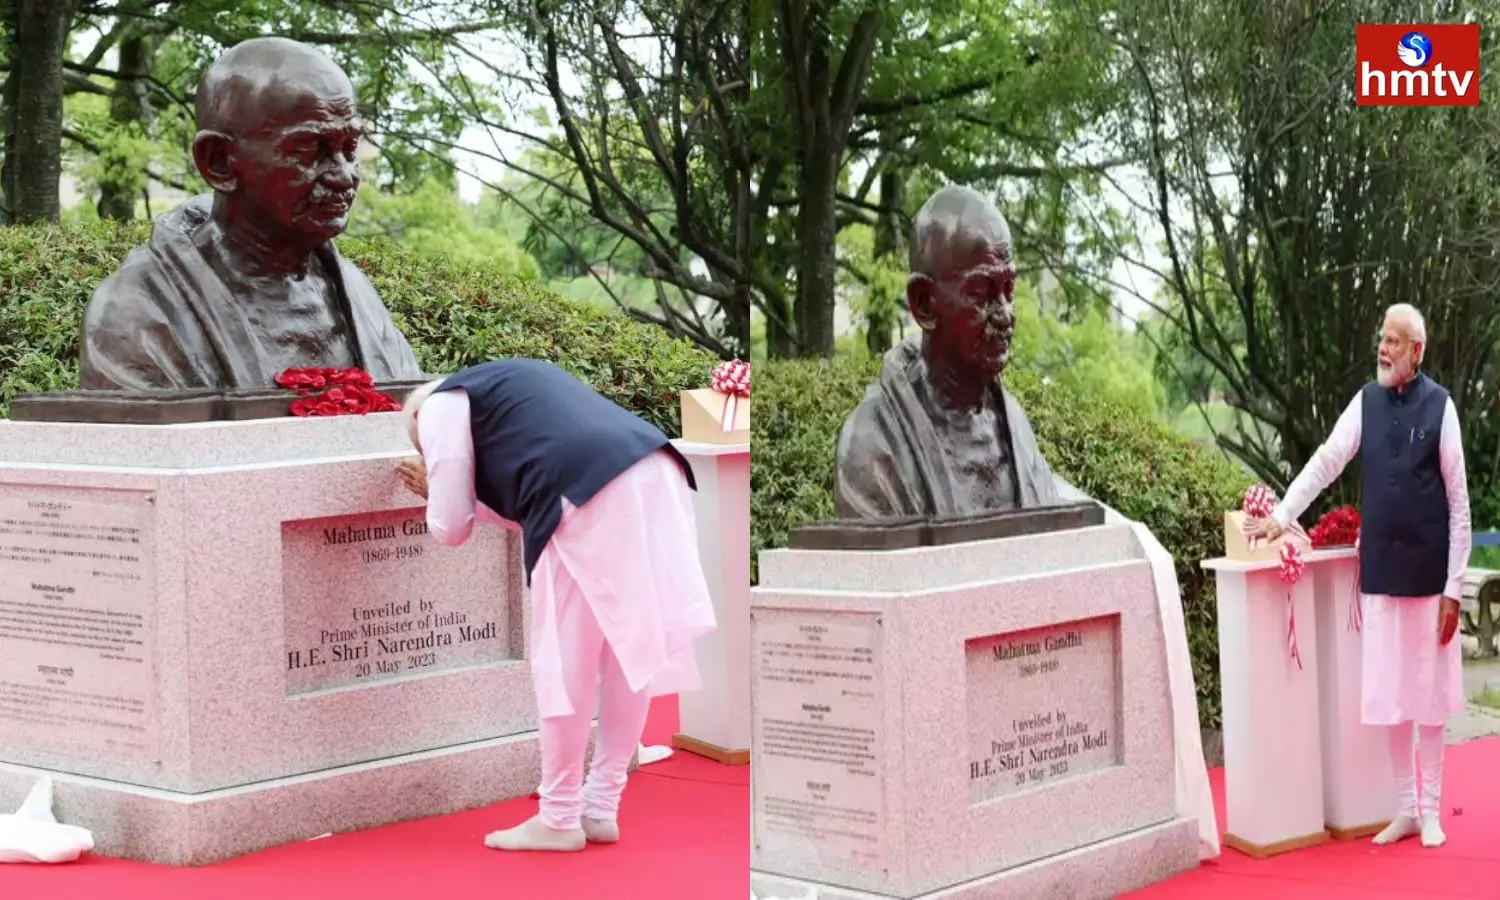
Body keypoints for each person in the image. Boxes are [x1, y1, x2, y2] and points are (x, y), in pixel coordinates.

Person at [396, 359, 717, 852]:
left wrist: (433, 488)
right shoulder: (508, 386)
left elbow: (450, 526)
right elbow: (526, 500)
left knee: (563, 661)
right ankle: (601, 806)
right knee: (628, 653)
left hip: (584, 490)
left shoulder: (435, 409)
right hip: (654, 468)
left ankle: (560, 815)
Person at [1245, 303, 1471, 848]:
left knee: (1431, 698)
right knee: (1394, 695)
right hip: (1382, 574)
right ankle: (1406, 809)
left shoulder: (1442, 407)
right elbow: (1326, 461)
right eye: (1382, 338)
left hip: (1431, 576)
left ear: (1416, 351)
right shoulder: (1365, 403)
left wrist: (1454, 590)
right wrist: (1281, 517)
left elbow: (1461, 506)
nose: (1384, 348)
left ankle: (1434, 810)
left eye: (1395, 341)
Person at [79, 36, 422, 391]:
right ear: (219, 162)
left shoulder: (357, 295)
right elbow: (148, 443)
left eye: (348, 148)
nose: (344, 175)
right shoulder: (138, 312)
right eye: (308, 150)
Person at [833, 185, 1061, 518]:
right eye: (980, 292)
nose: (1005, 313)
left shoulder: (1016, 427)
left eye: (1008, 290)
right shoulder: (874, 447)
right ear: (924, 303)